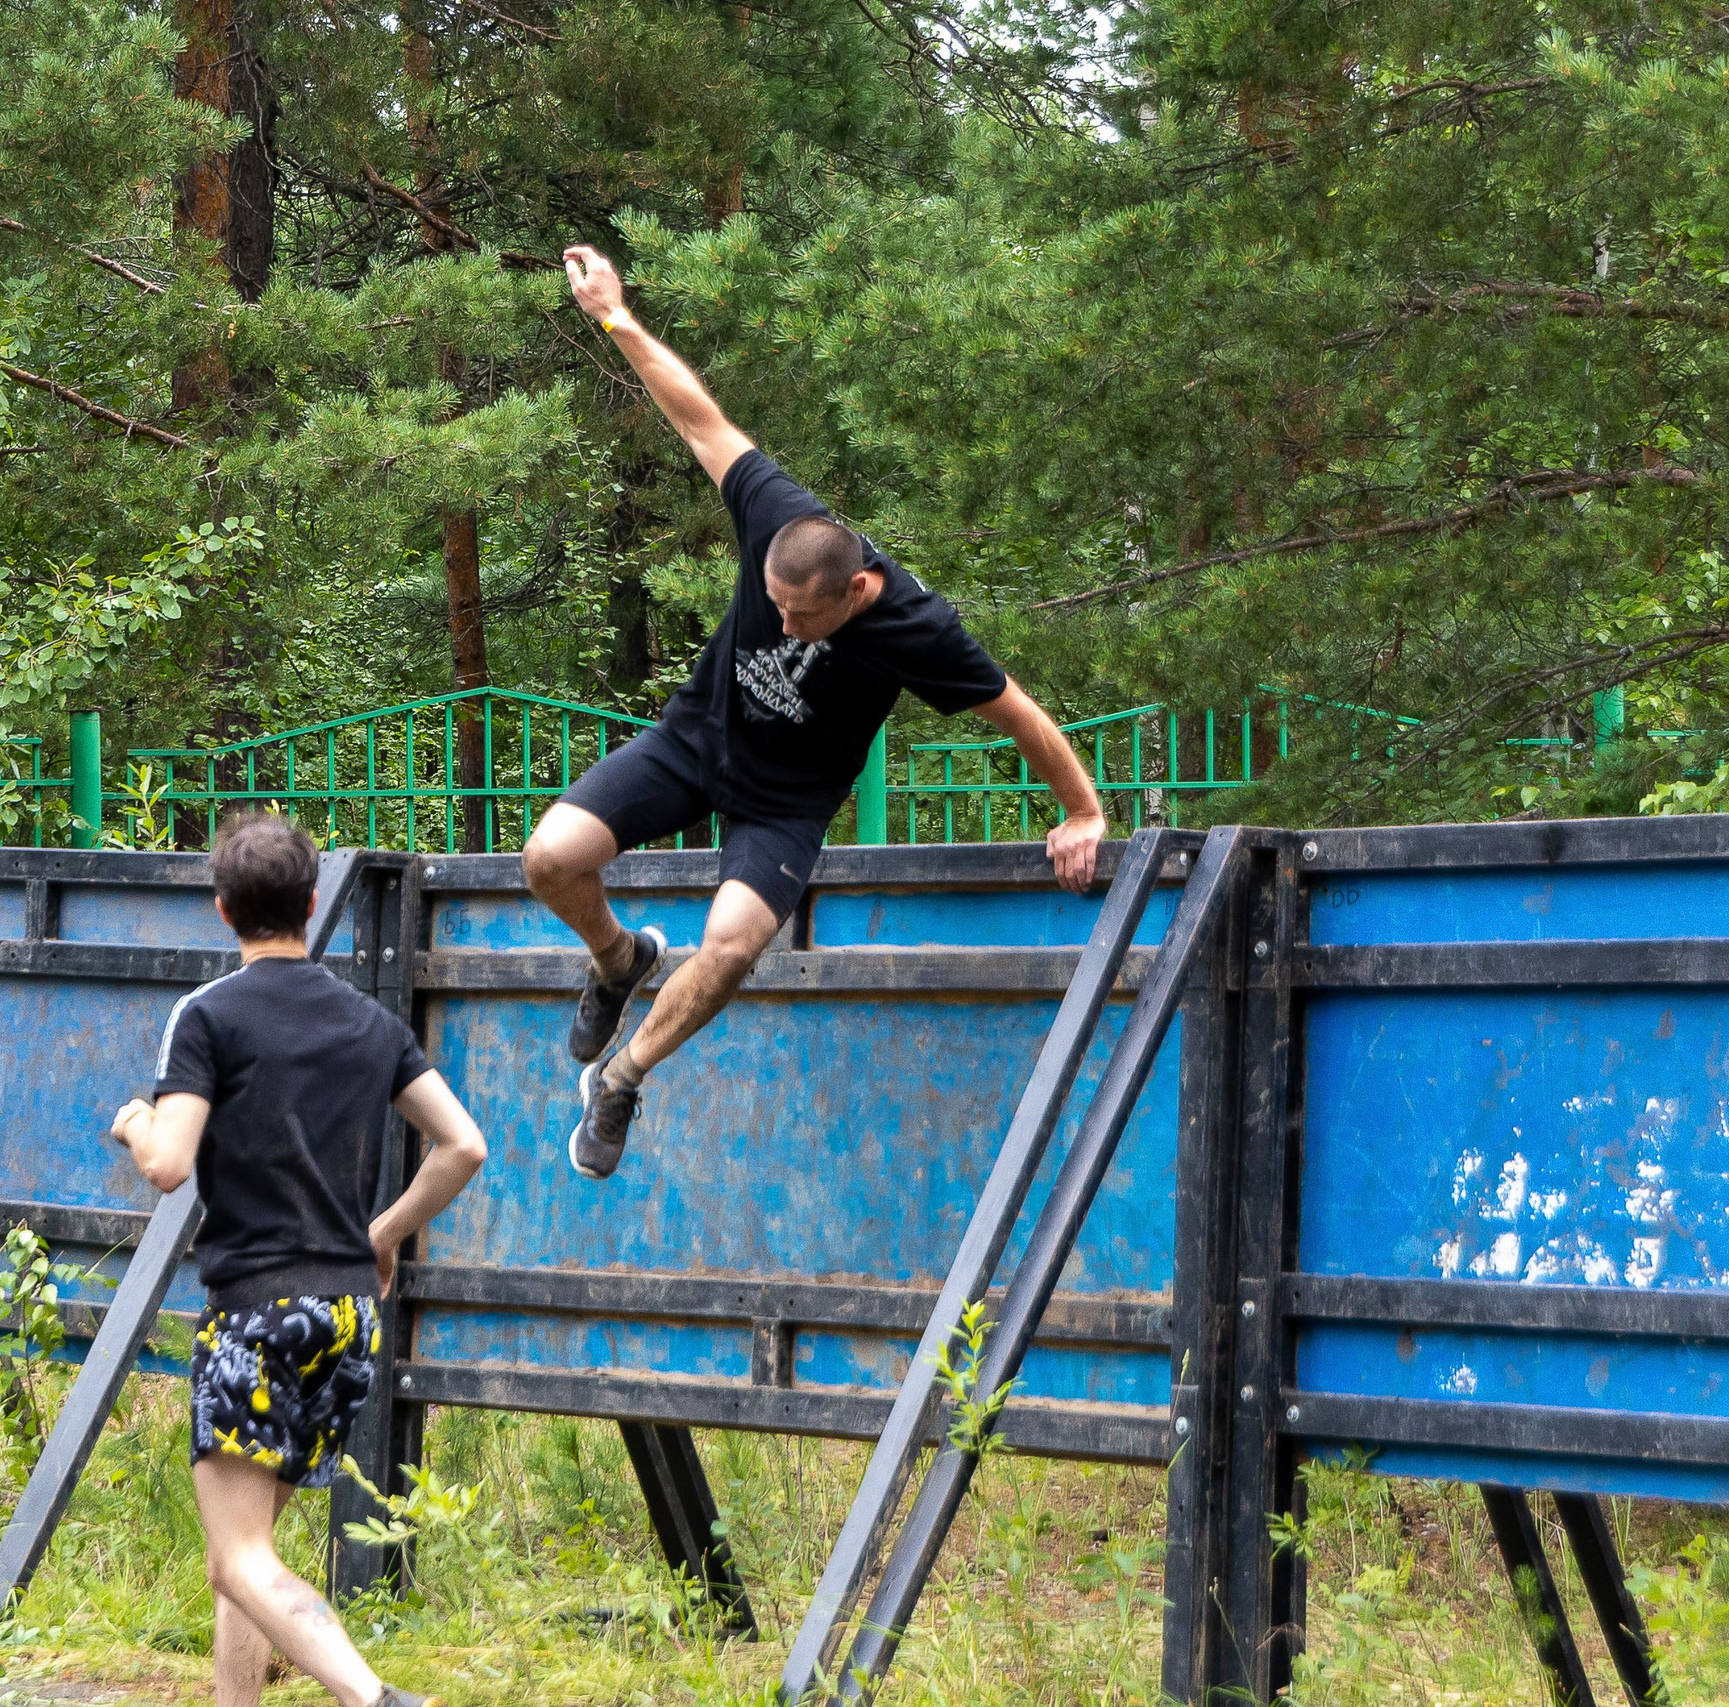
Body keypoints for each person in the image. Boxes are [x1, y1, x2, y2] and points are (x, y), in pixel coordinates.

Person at [527, 244, 1113, 1182]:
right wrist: (614, 315)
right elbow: (697, 419)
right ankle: (616, 958)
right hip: (696, 740)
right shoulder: (775, 512)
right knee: (548, 856)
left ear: (857, 591)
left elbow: (1022, 716)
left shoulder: (919, 627)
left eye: (803, 615)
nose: (785, 624)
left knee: (733, 945)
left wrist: (1083, 810)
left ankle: (623, 1077)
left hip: (785, 803)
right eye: (774, 604)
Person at [110, 814, 487, 1707]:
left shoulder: (205, 1016)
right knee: (246, 1558)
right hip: (348, 1316)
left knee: (240, 1556)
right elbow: (463, 1145)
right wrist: (384, 1230)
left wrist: (133, 1120)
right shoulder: (369, 1022)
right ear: (312, 904)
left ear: (222, 909)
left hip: (256, 1316)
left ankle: (374, 1696)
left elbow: (168, 1164)